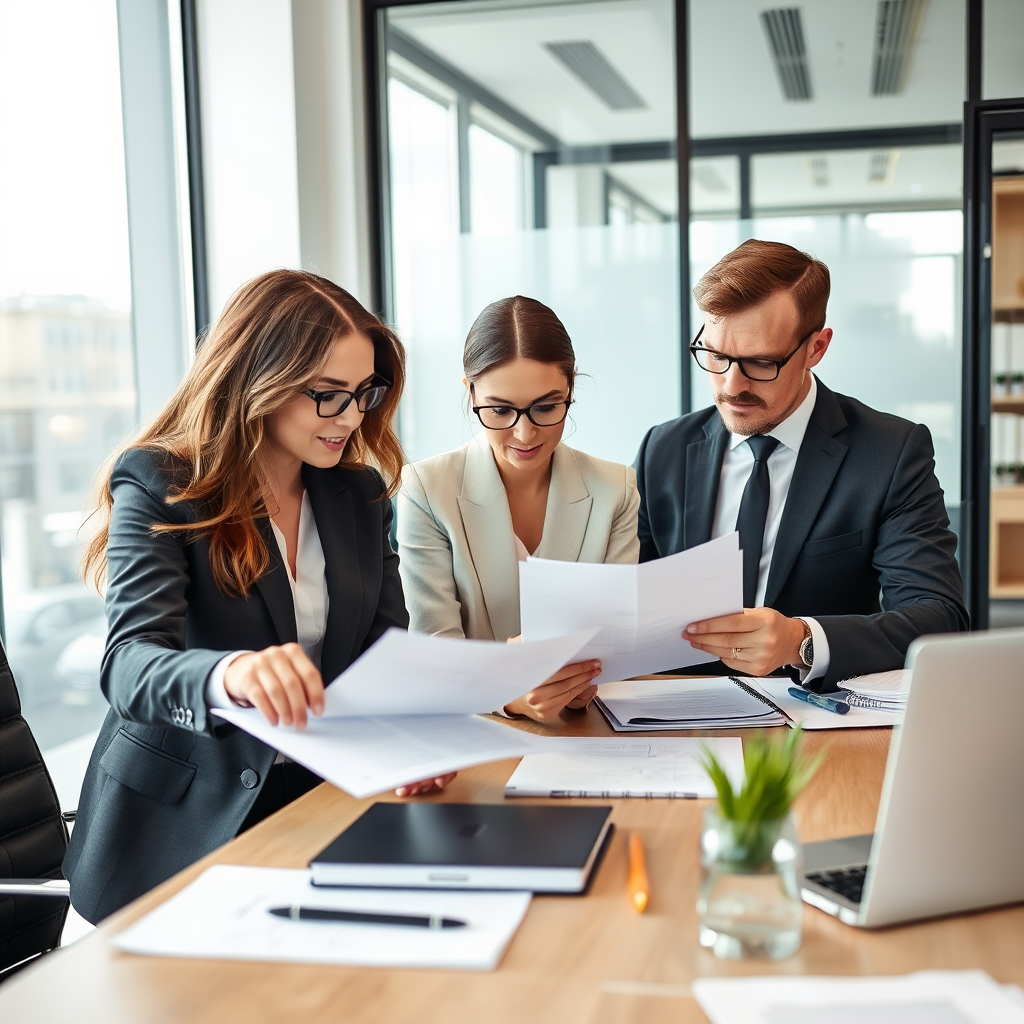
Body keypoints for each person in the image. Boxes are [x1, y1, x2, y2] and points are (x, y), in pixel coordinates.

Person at [64, 270, 451, 924]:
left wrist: (411, 742)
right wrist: (229, 672)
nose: (352, 416)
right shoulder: (162, 482)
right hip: (179, 834)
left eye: (364, 393)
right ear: (260, 380)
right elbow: (128, 665)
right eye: (329, 395)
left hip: (314, 811)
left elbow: (386, 658)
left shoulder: (356, 495)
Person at [634, 239, 968, 691]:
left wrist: (801, 640)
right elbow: (627, 605)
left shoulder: (890, 453)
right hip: (673, 722)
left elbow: (938, 618)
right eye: (715, 355)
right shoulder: (663, 449)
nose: (731, 386)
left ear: (816, 348)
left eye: (760, 362)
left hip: (815, 728)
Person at [398, 295, 640, 721]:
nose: (524, 433)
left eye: (546, 407)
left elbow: (615, 640)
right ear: (469, 392)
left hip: (585, 731)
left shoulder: (615, 489)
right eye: (499, 410)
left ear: (571, 391)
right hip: (471, 733)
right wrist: (508, 694)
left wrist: (586, 681)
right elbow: (433, 656)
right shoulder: (426, 489)